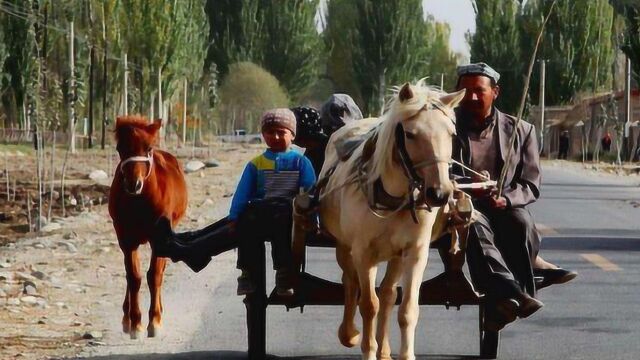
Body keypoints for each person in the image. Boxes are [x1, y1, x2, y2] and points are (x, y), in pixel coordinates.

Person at [451, 62, 577, 331]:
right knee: (474, 224)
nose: (472, 97)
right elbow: (435, 173)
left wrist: (505, 199)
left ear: (495, 92)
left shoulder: (522, 130)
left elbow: (530, 183)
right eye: (465, 91)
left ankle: (511, 296)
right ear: (456, 94)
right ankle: (515, 294)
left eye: (479, 90)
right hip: (460, 207)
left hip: (504, 205)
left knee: (520, 222)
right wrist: (467, 184)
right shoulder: (444, 128)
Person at [152, 109, 316, 297]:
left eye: (282, 132)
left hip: (287, 217)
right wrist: (234, 215)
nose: (276, 136)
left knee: (254, 218)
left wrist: (313, 218)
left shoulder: (300, 162)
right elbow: (242, 193)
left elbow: (310, 192)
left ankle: (190, 249)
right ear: (263, 135)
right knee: (241, 218)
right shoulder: (256, 164)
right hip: (260, 214)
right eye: (270, 132)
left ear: (292, 135)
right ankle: (187, 242)